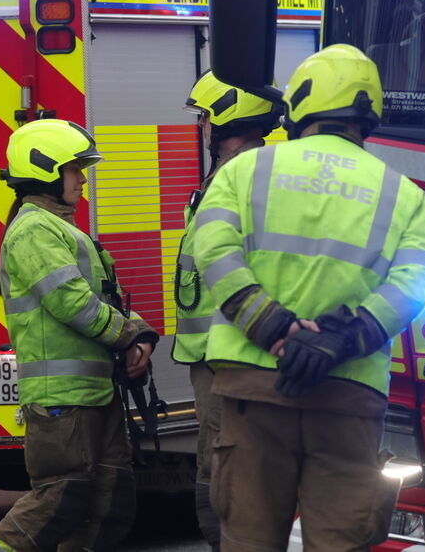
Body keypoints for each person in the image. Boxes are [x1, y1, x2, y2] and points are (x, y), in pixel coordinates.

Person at [193, 45, 425, 552]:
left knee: (248, 538)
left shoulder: (245, 171)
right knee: (341, 541)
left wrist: (275, 329)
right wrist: (341, 339)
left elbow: (212, 251)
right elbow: (416, 284)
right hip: (348, 394)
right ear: (370, 111)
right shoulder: (402, 193)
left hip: (252, 388)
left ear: (300, 102)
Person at [0, 119, 160, 552]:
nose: (82, 179)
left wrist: (142, 334)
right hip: (63, 398)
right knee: (60, 499)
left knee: (109, 502)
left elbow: (104, 299)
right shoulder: (34, 230)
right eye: (74, 169)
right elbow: (73, 304)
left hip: (94, 393)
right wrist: (128, 338)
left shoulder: (61, 228)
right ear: (45, 171)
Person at [172, 71, 282, 551]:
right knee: (216, 464)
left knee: (225, 468)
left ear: (228, 119)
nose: (200, 126)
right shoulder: (234, 174)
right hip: (216, 352)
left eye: (205, 117)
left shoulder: (245, 176)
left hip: (231, 353)